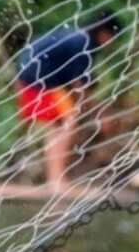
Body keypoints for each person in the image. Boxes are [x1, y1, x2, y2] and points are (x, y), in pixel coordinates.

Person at [14, 10, 122, 191]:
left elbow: (82, 85)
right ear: (104, 33)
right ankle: (57, 181)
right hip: (37, 81)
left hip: (33, 78)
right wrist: (102, 114)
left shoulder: (80, 38)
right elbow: (80, 86)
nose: (111, 43)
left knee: (59, 126)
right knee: (68, 123)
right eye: (112, 37)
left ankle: (55, 179)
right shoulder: (83, 43)